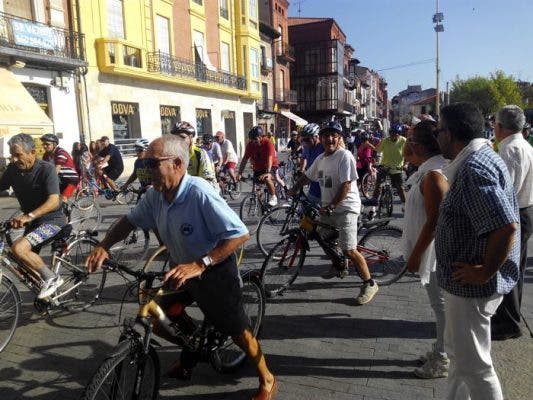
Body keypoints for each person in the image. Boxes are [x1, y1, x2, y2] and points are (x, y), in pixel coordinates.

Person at [86, 135, 277, 400]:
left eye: (152, 163)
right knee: (159, 315)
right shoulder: (155, 195)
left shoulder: (199, 192)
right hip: (181, 268)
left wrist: (201, 264)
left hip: (214, 269)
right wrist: (105, 245)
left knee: (237, 331)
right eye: (145, 163)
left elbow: (239, 233)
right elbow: (128, 221)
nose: (146, 169)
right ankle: (193, 347)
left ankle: (267, 378)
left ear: (176, 163)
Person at [435, 102, 519, 400]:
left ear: (453, 133)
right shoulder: (476, 160)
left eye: (440, 129)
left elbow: (505, 226)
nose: (437, 135)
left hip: (471, 288)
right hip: (464, 285)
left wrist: (484, 271)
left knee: (476, 367)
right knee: (460, 357)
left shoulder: (474, 169)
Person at [289, 121, 379, 305]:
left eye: (334, 135)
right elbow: (307, 176)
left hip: (346, 207)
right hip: (328, 207)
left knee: (349, 249)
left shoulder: (344, 156)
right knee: (323, 236)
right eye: (326, 135)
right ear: (320, 138)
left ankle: (369, 283)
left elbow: (346, 185)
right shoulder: (321, 158)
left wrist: (331, 205)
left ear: (339, 138)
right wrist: (293, 189)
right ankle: (339, 265)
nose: (329, 139)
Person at [402, 120, 449, 379]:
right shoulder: (427, 167)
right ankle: (441, 349)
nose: (407, 144)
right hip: (432, 253)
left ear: (420, 145)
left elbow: (434, 222)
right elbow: (406, 156)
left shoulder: (433, 175)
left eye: (411, 140)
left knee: (441, 307)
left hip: (435, 255)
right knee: (440, 306)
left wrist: (416, 256)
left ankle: (442, 358)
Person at [0, 134, 67, 299]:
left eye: (18, 155)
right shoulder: (13, 170)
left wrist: (28, 216)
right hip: (32, 224)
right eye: (12, 155)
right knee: (21, 260)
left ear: (33, 152)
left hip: (53, 221)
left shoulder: (46, 169)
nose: (14, 159)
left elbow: (53, 201)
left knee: (19, 248)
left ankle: (52, 277)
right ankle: (47, 296)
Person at [491, 105, 533, 340]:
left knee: (507, 268)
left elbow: (506, 191)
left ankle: (509, 322)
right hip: (525, 210)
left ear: (499, 127)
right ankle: (508, 316)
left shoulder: (510, 149)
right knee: (514, 268)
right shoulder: (523, 145)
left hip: (516, 213)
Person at [237, 126, 280, 207]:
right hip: (258, 167)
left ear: (260, 137)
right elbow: (244, 159)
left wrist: (268, 172)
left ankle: (274, 197)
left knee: (267, 178)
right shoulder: (250, 144)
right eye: (251, 139)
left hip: (271, 165)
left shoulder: (268, 143)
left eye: (255, 139)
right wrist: (239, 173)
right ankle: (262, 205)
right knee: (256, 188)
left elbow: (269, 158)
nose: (253, 141)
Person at [170, 122, 217, 190]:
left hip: (201, 192)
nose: (178, 141)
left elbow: (208, 181)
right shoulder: (170, 155)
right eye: (175, 138)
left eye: (182, 137)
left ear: (191, 138)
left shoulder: (199, 153)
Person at [372, 123, 407, 205]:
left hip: (397, 169)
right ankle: (372, 208)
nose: (394, 135)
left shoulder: (404, 141)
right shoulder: (385, 141)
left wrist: (406, 164)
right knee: (378, 186)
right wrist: (374, 161)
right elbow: (376, 151)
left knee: (400, 188)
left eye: (396, 134)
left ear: (399, 134)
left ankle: (405, 206)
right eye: (392, 133)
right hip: (384, 167)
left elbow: (408, 154)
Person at [41, 134, 80, 202]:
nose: (44, 146)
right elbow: (44, 168)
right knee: (51, 198)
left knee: (63, 199)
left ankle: (64, 209)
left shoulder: (60, 152)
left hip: (70, 180)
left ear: (54, 144)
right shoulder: (46, 155)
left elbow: (57, 168)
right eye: (43, 144)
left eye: (47, 144)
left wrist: (48, 180)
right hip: (60, 180)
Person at [298, 123, 323, 205]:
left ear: (316, 137)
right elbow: (303, 157)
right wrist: (301, 170)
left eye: (307, 139)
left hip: (323, 186)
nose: (305, 142)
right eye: (303, 140)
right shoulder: (307, 147)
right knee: (305, 212)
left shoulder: (323, 148)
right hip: (313, 187)